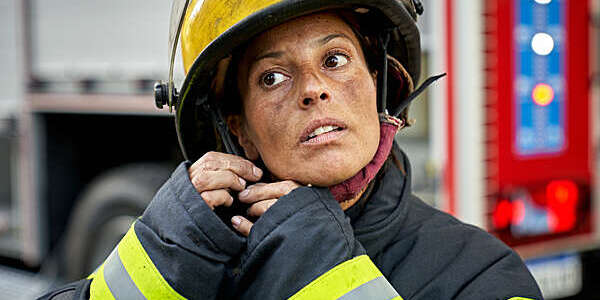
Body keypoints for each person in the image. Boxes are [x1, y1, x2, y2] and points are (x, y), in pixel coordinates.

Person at [40, 0, 543, 299]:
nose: (313, 89)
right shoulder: (191, 255)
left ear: (378, 84)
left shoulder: (482, 272)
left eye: (335, 58)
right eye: (273, 76)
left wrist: (323, 271)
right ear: (240, 129)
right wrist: (158, 261)